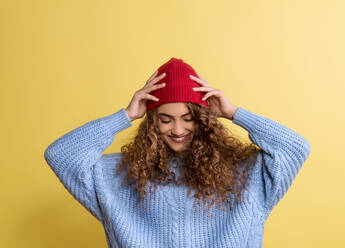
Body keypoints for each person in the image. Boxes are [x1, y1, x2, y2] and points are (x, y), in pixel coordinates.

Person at [44, 57, 311, 248]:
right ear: (151, 122)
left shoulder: (246, 173)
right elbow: (61, 155)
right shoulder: (119, 177)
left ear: (203, 119)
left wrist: (233, 113)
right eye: (165, 119)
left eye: (188, 117)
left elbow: (295, 148)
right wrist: (125, 116)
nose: (178, 129)